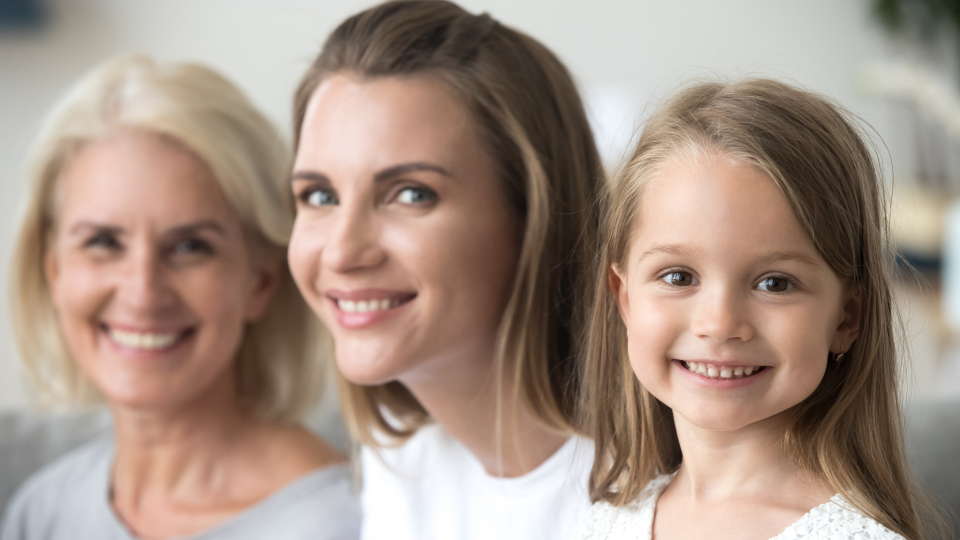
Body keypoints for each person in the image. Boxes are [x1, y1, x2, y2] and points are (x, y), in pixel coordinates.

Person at [1, 56, 360, 540]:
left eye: (190, 247)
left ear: (260, 282)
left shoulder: (345, 522)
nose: (143, 292)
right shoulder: (42, 512)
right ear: (55, 271)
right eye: (104, 243)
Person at [571, 78, 944, 539]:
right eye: (679, 277)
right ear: (624, 298)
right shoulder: (603, 521)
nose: (721, 324)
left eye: (775, 283)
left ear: (848, 317)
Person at [288, 1, 603, 538]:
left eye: (411, 194)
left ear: (535, 216)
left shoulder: (669, 495)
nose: (342, 253)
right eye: (320, 195)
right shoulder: (403, 462)